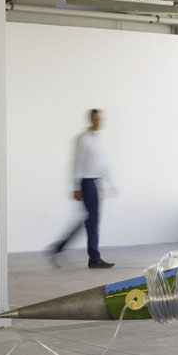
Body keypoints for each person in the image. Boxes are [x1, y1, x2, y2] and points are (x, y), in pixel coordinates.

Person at [49, 109, 115, 269]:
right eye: (96, 119)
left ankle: (59, 247)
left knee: (89, 221)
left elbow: (103, 163)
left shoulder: (99, 140)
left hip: (96, 182)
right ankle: (94, 258)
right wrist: (76, 187)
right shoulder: (83, 139)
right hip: (87, 182)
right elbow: (77, 162)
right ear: (90, 120)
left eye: (100, 119)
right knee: (91, 221)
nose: (98, 121)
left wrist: (109, 183)